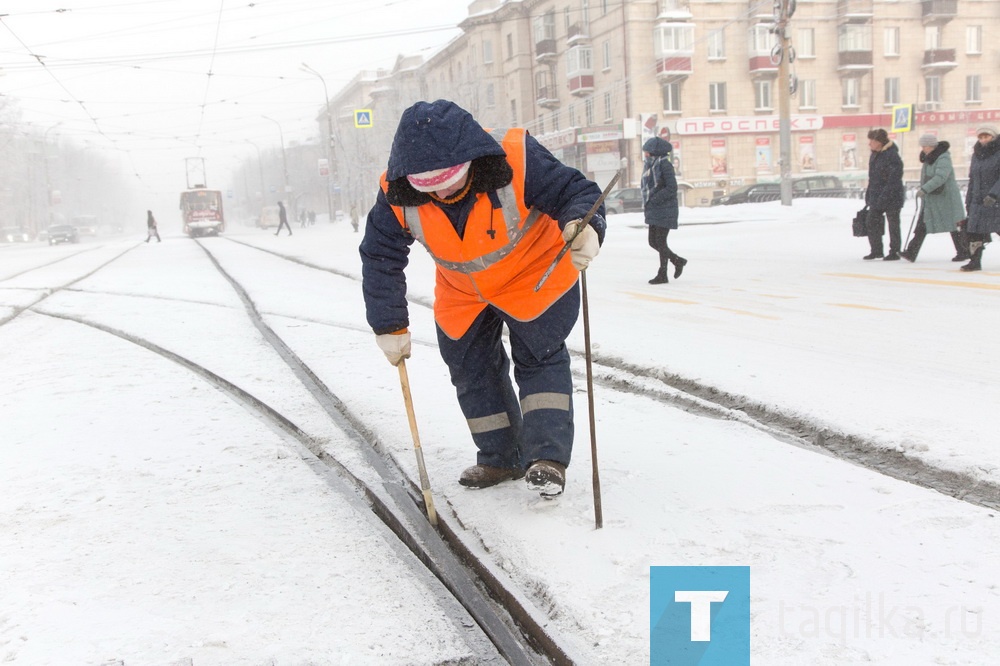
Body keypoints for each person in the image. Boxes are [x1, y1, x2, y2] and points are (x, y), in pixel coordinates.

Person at [359, 99, 605, 498]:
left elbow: (575, 191)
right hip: (463, 291)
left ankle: (546, 459)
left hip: (533, 278)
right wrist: (388, 324)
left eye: (448, 178)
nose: (440, 192)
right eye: (426, 185)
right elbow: (380, 256)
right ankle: (499, 457)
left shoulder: (517, 156)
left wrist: (585, 224)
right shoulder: (396, 191)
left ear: (471, 160)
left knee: (539, 359)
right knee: (470, 368)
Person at [900, 134, 968, 262]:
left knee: (953, 225)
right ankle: (911, 252)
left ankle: (963, 251)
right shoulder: (930, 158)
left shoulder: (943, 158)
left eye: (925, 146)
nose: (923, 149)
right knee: (924, 224)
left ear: (931, 146)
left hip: (946, 198)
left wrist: (925, 189)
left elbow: (940, 177)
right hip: (934, 198)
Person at [641, 136, 686, 284]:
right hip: (655, 209)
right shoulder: (650, 167)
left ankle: (663, 273)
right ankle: (676, 261)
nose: (646, 155)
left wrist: (655, 199)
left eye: (647, 152)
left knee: (660, 241)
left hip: (665, 209)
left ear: (655, 153)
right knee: (653, 242)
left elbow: (672, 188)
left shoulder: (664, 165)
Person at [961, 125, 1000, 272]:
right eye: (981, 137)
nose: (983, 140)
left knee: (998, 227)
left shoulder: (998, 152)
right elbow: (973, 178)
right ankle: (975, 261)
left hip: (995, 200)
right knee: (974, 232)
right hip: (978, 200)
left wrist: (994, 194)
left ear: (993, 137)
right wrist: (969, 199)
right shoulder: (976, 155)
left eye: (987, 136)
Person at [863, 128, 905, 260]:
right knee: (871, 221)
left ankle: (894, 251)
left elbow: (894, 178)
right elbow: (872, 177)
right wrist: (869, 193)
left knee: (893, 224)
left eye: (872, 141)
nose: (869, 144)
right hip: (877, 195)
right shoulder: (874, 155)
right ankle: (876, 250)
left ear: (880, 142)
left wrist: (885, 194)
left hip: (892, 196)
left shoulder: (892, 155)